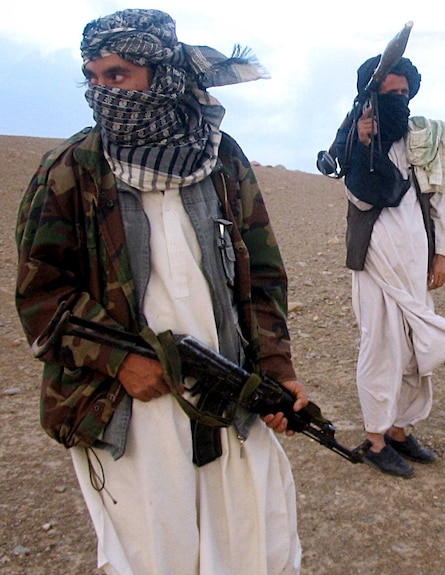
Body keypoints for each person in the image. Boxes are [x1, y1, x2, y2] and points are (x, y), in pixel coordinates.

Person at [15, 9, 304, 574]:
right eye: (92, 78)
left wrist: (277, 365)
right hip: (132, 404)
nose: (104, 92)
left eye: (118, 75)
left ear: (162, 74)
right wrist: (119, 360)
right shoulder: (71, 171)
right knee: (157, 555)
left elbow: (262, 275)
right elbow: (41, 295)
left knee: (252, 544)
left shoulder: (220, 159)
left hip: (227, 389)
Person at [340, 55, 445, 478]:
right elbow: (360, 196)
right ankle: (374, 439)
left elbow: (440, 201)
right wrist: (364, 145)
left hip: (416, 263)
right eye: (388, 93)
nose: (398, 100)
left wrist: (441, 253)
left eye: (404, 93)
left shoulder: (424, 139)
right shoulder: (354, 139)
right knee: (381, 346)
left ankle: (400, 429)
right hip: (376, 263)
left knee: (412, 350)